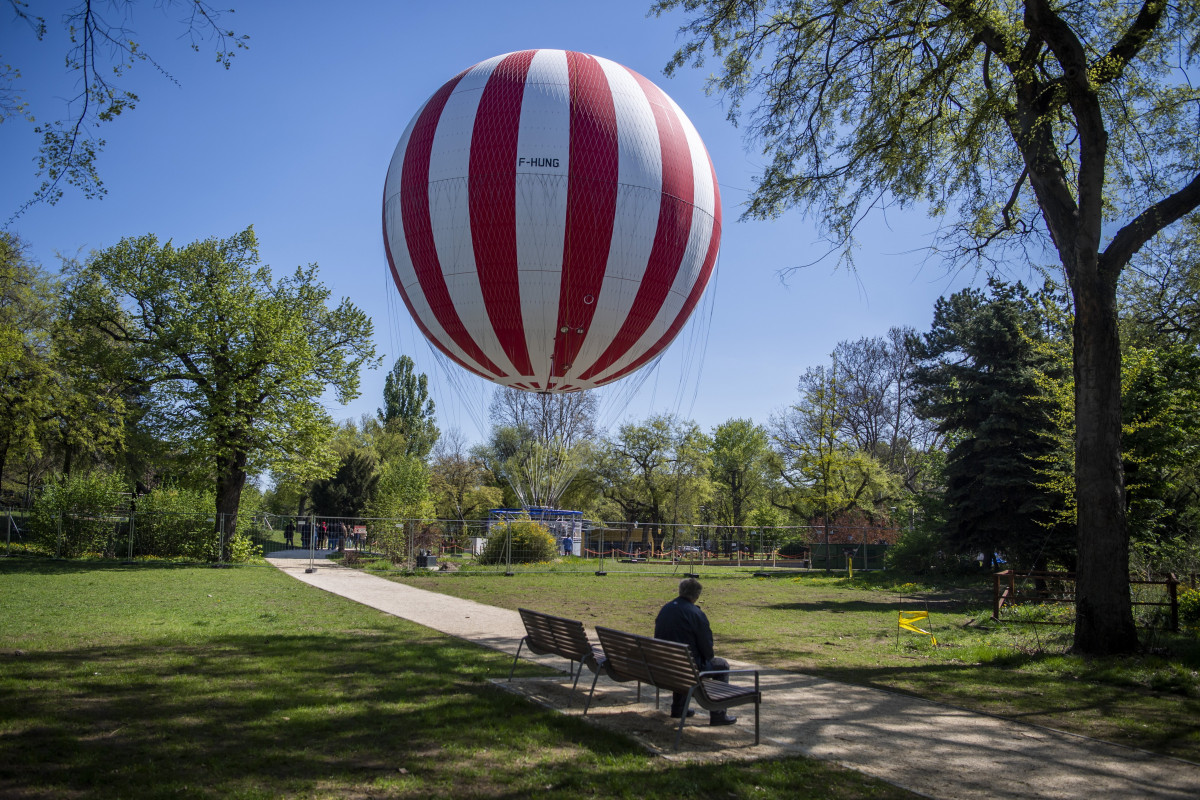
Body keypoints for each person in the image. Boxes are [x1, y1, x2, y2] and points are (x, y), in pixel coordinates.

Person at [653, 577, 737, 726]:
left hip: (664, 665)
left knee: (682, 662)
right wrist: (707, 658)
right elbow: (707, 648)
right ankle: (718, 713)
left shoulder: (666, 608)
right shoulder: (696, 614)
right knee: (721, 665)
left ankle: (679, 708)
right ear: (697, 596)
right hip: (685, 667)